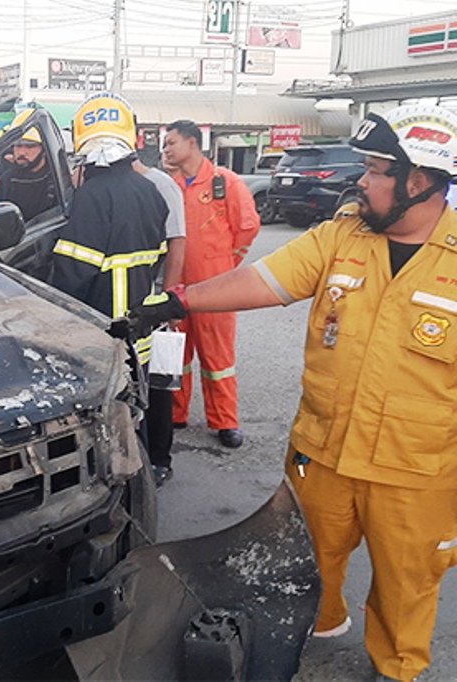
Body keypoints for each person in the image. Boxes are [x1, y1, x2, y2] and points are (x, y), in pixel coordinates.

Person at [131, 103, 457, 682]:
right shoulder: (341, 237)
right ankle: (314, 628)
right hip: (322, 452)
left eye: (377, 170)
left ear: (418, 181)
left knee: (408, 583)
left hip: (418, 469)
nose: (362, 179)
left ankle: (398, 669)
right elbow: (265, 278)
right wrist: (180, 301)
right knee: (306, 562)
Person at [50, 93, 170, 484]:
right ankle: (151, 473)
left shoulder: (92, 195)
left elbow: (71, 273)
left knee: (113, 424)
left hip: (104, 334)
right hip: (141, 331)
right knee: (141, 410)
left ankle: (122, 490)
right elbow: (158, 255)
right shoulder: (149, 191)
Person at [162, 119, 260, 448]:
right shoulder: (167, 184)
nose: (166, 149)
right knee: (178, 354)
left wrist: (225, 264)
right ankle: (177, 414)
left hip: (216, 289)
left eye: (171, 142)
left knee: (217, 358)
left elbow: (247, 226)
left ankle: (225, 422)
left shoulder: (225, 182)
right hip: (176, 285)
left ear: (192, 143)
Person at [133, 156, 186, 486]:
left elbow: (177, 244)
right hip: (128, 300)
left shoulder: (161, 184)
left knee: (159, 384)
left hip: (153, 298)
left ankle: (160, 459)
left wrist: (168, 301)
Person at [0, 110, 58, 221]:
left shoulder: (56, 180)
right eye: (18, 146)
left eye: (30, 146)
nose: (22, 152)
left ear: (44, 149)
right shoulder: (6, 179)